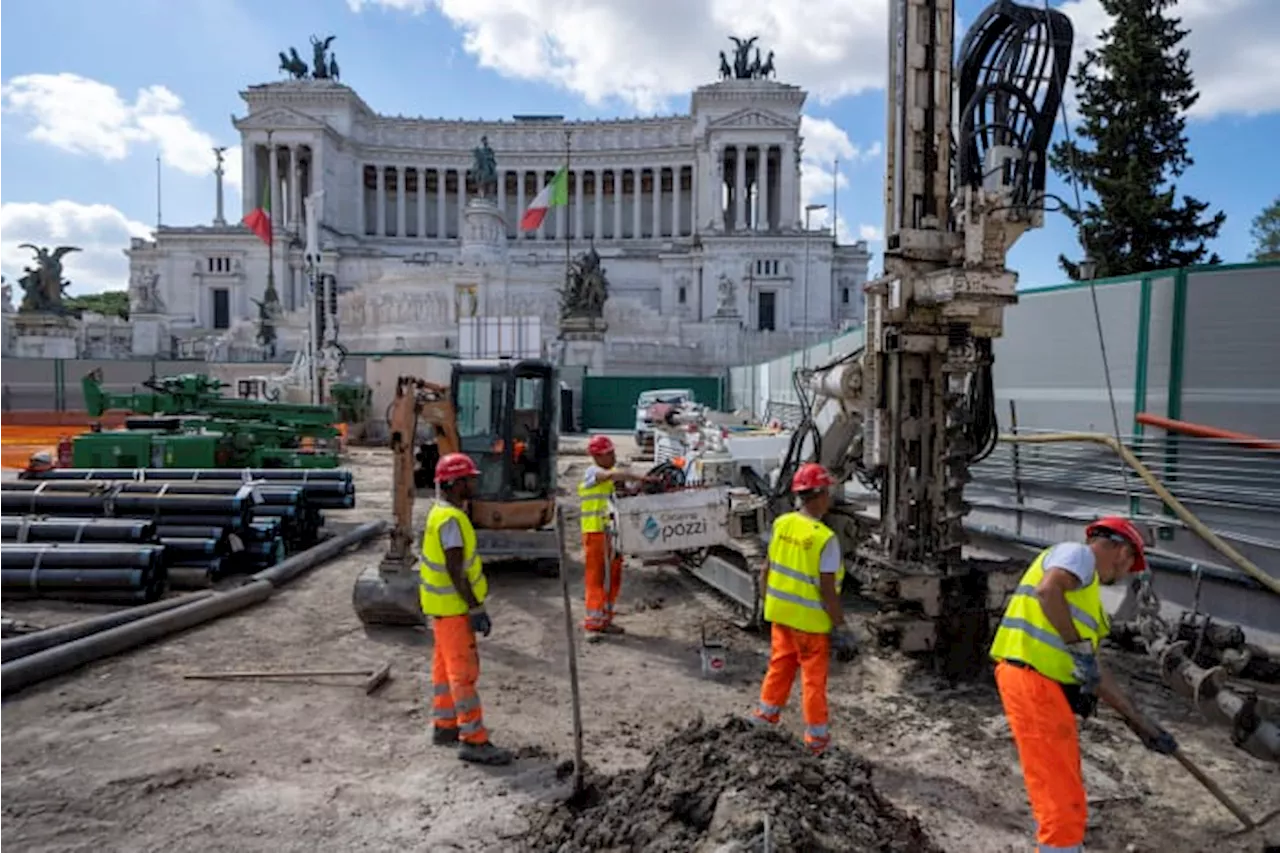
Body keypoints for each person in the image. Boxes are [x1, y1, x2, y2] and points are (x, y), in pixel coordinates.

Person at [990, 517, 1179, 853]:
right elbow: (1047, 591)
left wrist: (1141, 724)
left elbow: (1095, 670)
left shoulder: (1086, 595)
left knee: (1066, 793)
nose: (1123, 576)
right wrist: (1078, 648)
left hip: (1043, 688)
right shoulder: (1078, 555)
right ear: (1121, 552)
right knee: (1060, 803)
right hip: (1033, 682)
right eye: (1128, 567)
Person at [751, 462, 855, 754]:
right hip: (810, 625)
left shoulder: (782, 523)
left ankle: (765, 717)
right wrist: (841, 627)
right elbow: (827, 592)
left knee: (779, 667)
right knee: (813, 682)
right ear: (820, 495)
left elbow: (765, 570)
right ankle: (817, 740)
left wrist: (764, 605)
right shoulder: (825, 539)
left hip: (780, 616)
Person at [419, 451, 512, 766]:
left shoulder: (440, 513)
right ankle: (473, 740)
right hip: (455, 609)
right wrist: (476, 608)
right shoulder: (451, 520)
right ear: (455, 483)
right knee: (463, 674)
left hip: (441, 609)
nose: (474, 483)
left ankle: (445, 726)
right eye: (469, 479)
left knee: (444, 670)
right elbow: (456, 570)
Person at [577, 434, 650, 638]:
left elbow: (624, 492)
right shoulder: (593, 473)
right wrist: (638, 477)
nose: (614, 457)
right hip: (595, 533)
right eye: (610, 454)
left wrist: (639, 487)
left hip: (613, 534)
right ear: (598, 456)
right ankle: (593, 623)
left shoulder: (609, 477)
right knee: (596, 578)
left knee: (613, 578)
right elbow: (610, 476)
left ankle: (606, 619)